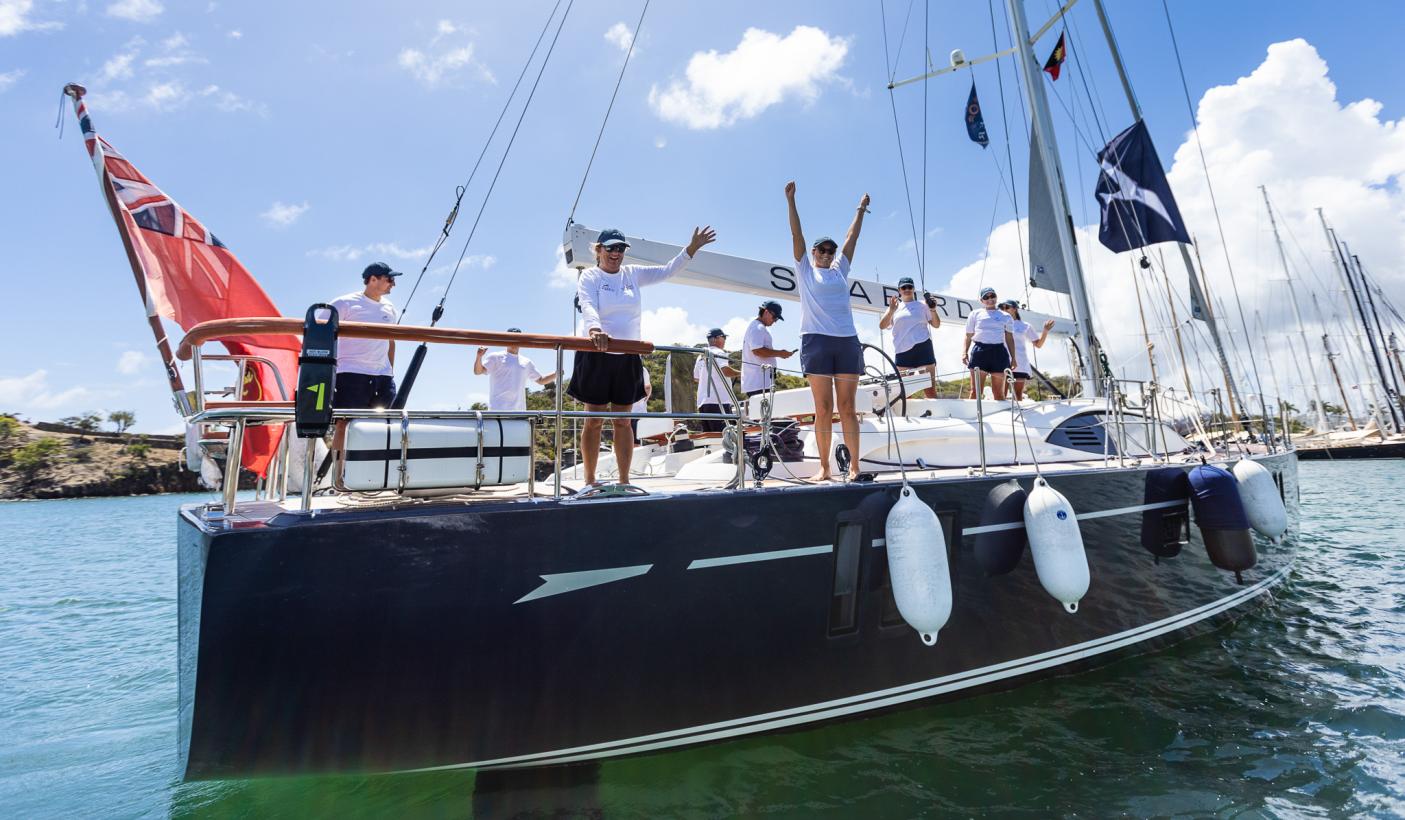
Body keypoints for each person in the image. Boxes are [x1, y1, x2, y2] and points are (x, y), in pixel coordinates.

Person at [570, 225, 717, 486]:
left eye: (620, 249)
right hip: (597, 353)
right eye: (610, 248)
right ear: (598, 250)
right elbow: (588, 305)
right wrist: (595, 329)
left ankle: (624, 481)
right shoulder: (590, 277)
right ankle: (590, 481)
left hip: (628, 354)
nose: (615, 253)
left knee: (623, 422)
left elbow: (667, 270)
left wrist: (691, 248)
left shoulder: (632, 274)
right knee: (593, 420)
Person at [785, 181, 869, 481]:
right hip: (816, 341)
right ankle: (824, 467)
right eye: (822, 249)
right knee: (823, 408)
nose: (827, 253)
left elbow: (852, 237)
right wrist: (791, 201)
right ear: (814, 252)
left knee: (847, 407)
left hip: (846, 341)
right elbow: (797, 234)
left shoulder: (839, 270)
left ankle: (856, 468)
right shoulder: (805, 270)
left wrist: (860, 210)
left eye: (831, 250)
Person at [330, 261, 401, 409]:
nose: (393, 284)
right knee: (344, 422)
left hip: (383, 377)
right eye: (389, 279)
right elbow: (322, 336)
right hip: (350, 374)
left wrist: (390, 372)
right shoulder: (343, 303)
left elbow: (391, 342)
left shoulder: (390, 308)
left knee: (385, 423)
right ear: (373, 279)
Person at [879, 276, 942, 399]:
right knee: (905, 393)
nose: (907, 289)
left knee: (930, 390)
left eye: (910, 287)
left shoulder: (924, 305)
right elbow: (882, 326)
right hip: (903, 351)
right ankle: (909, 417)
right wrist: (891, 310)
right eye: (904, 287)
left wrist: (933, 309)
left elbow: (936, 324)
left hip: (923, 348)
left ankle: (936, 415)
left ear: (914, 289)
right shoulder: (894, 308)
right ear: (899, 290)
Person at [474, 328, 557, 411]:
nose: (514, 341)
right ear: (506, 340)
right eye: (510, 338)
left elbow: (541, 380)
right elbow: (478, 371)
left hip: (519, 412)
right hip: (497, 410)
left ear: (521, 341)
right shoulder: (495, 357)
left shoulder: (526, 362)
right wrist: (479, 357)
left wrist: (557, 373)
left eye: (517, 338)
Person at [962, 286, 1017, 401]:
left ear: (996, 297)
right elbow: (969, 335)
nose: (990, 298)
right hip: (979, 351)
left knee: (998, 393)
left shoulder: (1006, 316)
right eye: (986, 297)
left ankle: (1002, 418)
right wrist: (964, 352)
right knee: (975, 392)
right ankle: (974, 417)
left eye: (992, 296)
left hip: (999, 352)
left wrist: (1014, 358)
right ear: (982, 301)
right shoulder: (975, 314)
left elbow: (1009, 338)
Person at [999, 301, 1055, 401]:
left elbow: (1038, 344)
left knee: (1018, 396)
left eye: (1007, 307)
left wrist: (1045, 331)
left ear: (1015, 309)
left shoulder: (1025, 326)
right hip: (1002, 363)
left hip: (1020, 364)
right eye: (1002, 308)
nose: (1004, 309)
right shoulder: (999, 324)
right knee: (1001, 395)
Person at [742, 300, 793, 399]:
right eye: (775, 317)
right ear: (766, 312)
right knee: (764, 413)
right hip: (759, 383)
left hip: (760, 382)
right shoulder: (758, 327)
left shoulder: (757, 327)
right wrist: (780, 353)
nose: (775, 321)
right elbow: (757, 350)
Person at [694, 328, 740, 433]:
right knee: (726, 436)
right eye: (724, 337)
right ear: (717, 338)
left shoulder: (700, 356)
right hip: (719, 402)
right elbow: (725, 371)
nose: (725, 340)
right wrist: (741, 373)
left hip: (703, 403)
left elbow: (696, 378)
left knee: (711, 438)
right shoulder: (719, 352)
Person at [631, 361, 652, 444]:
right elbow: (647, 387)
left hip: (623, 413)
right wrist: (645, 399)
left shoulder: (618, 368)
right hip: (640, 413)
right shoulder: (642, 370)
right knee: (638, 442)